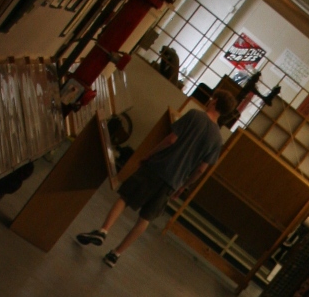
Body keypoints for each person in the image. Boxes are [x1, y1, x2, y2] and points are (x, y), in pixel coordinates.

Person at [76, 89, 230, 266]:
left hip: (157, 167)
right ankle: (115, 254)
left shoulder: (195, 115)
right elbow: (201, 170)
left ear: (214, 100)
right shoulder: (217, 140)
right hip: (173, 182)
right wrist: (183, 185)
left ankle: (103, 231)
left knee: (125, 198)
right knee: (145, 218)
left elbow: (171, 139)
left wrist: (150, 154)